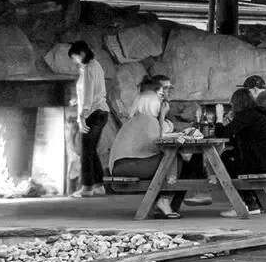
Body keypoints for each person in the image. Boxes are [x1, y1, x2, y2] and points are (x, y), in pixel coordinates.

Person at [105, 72, 189, 220]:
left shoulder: (139, 119)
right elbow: (160, 143)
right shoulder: (147, 120)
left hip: (124, 164)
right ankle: (163, 201)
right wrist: (162, 116)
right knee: (174, 160)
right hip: (128, 165)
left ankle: (164, 203)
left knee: (172, 161)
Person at [70, 42, 110, 197]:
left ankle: (87, 187)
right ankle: (99, 185)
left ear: (80, 53)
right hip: (100, 111)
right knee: (91, 150)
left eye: (74, 57)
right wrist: (77, 101)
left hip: (93, 113)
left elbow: (89, 93)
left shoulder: (88, 69)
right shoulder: (95, 66)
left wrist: (83, 114)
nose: (74, 61)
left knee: (85, 150)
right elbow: (91, 91)